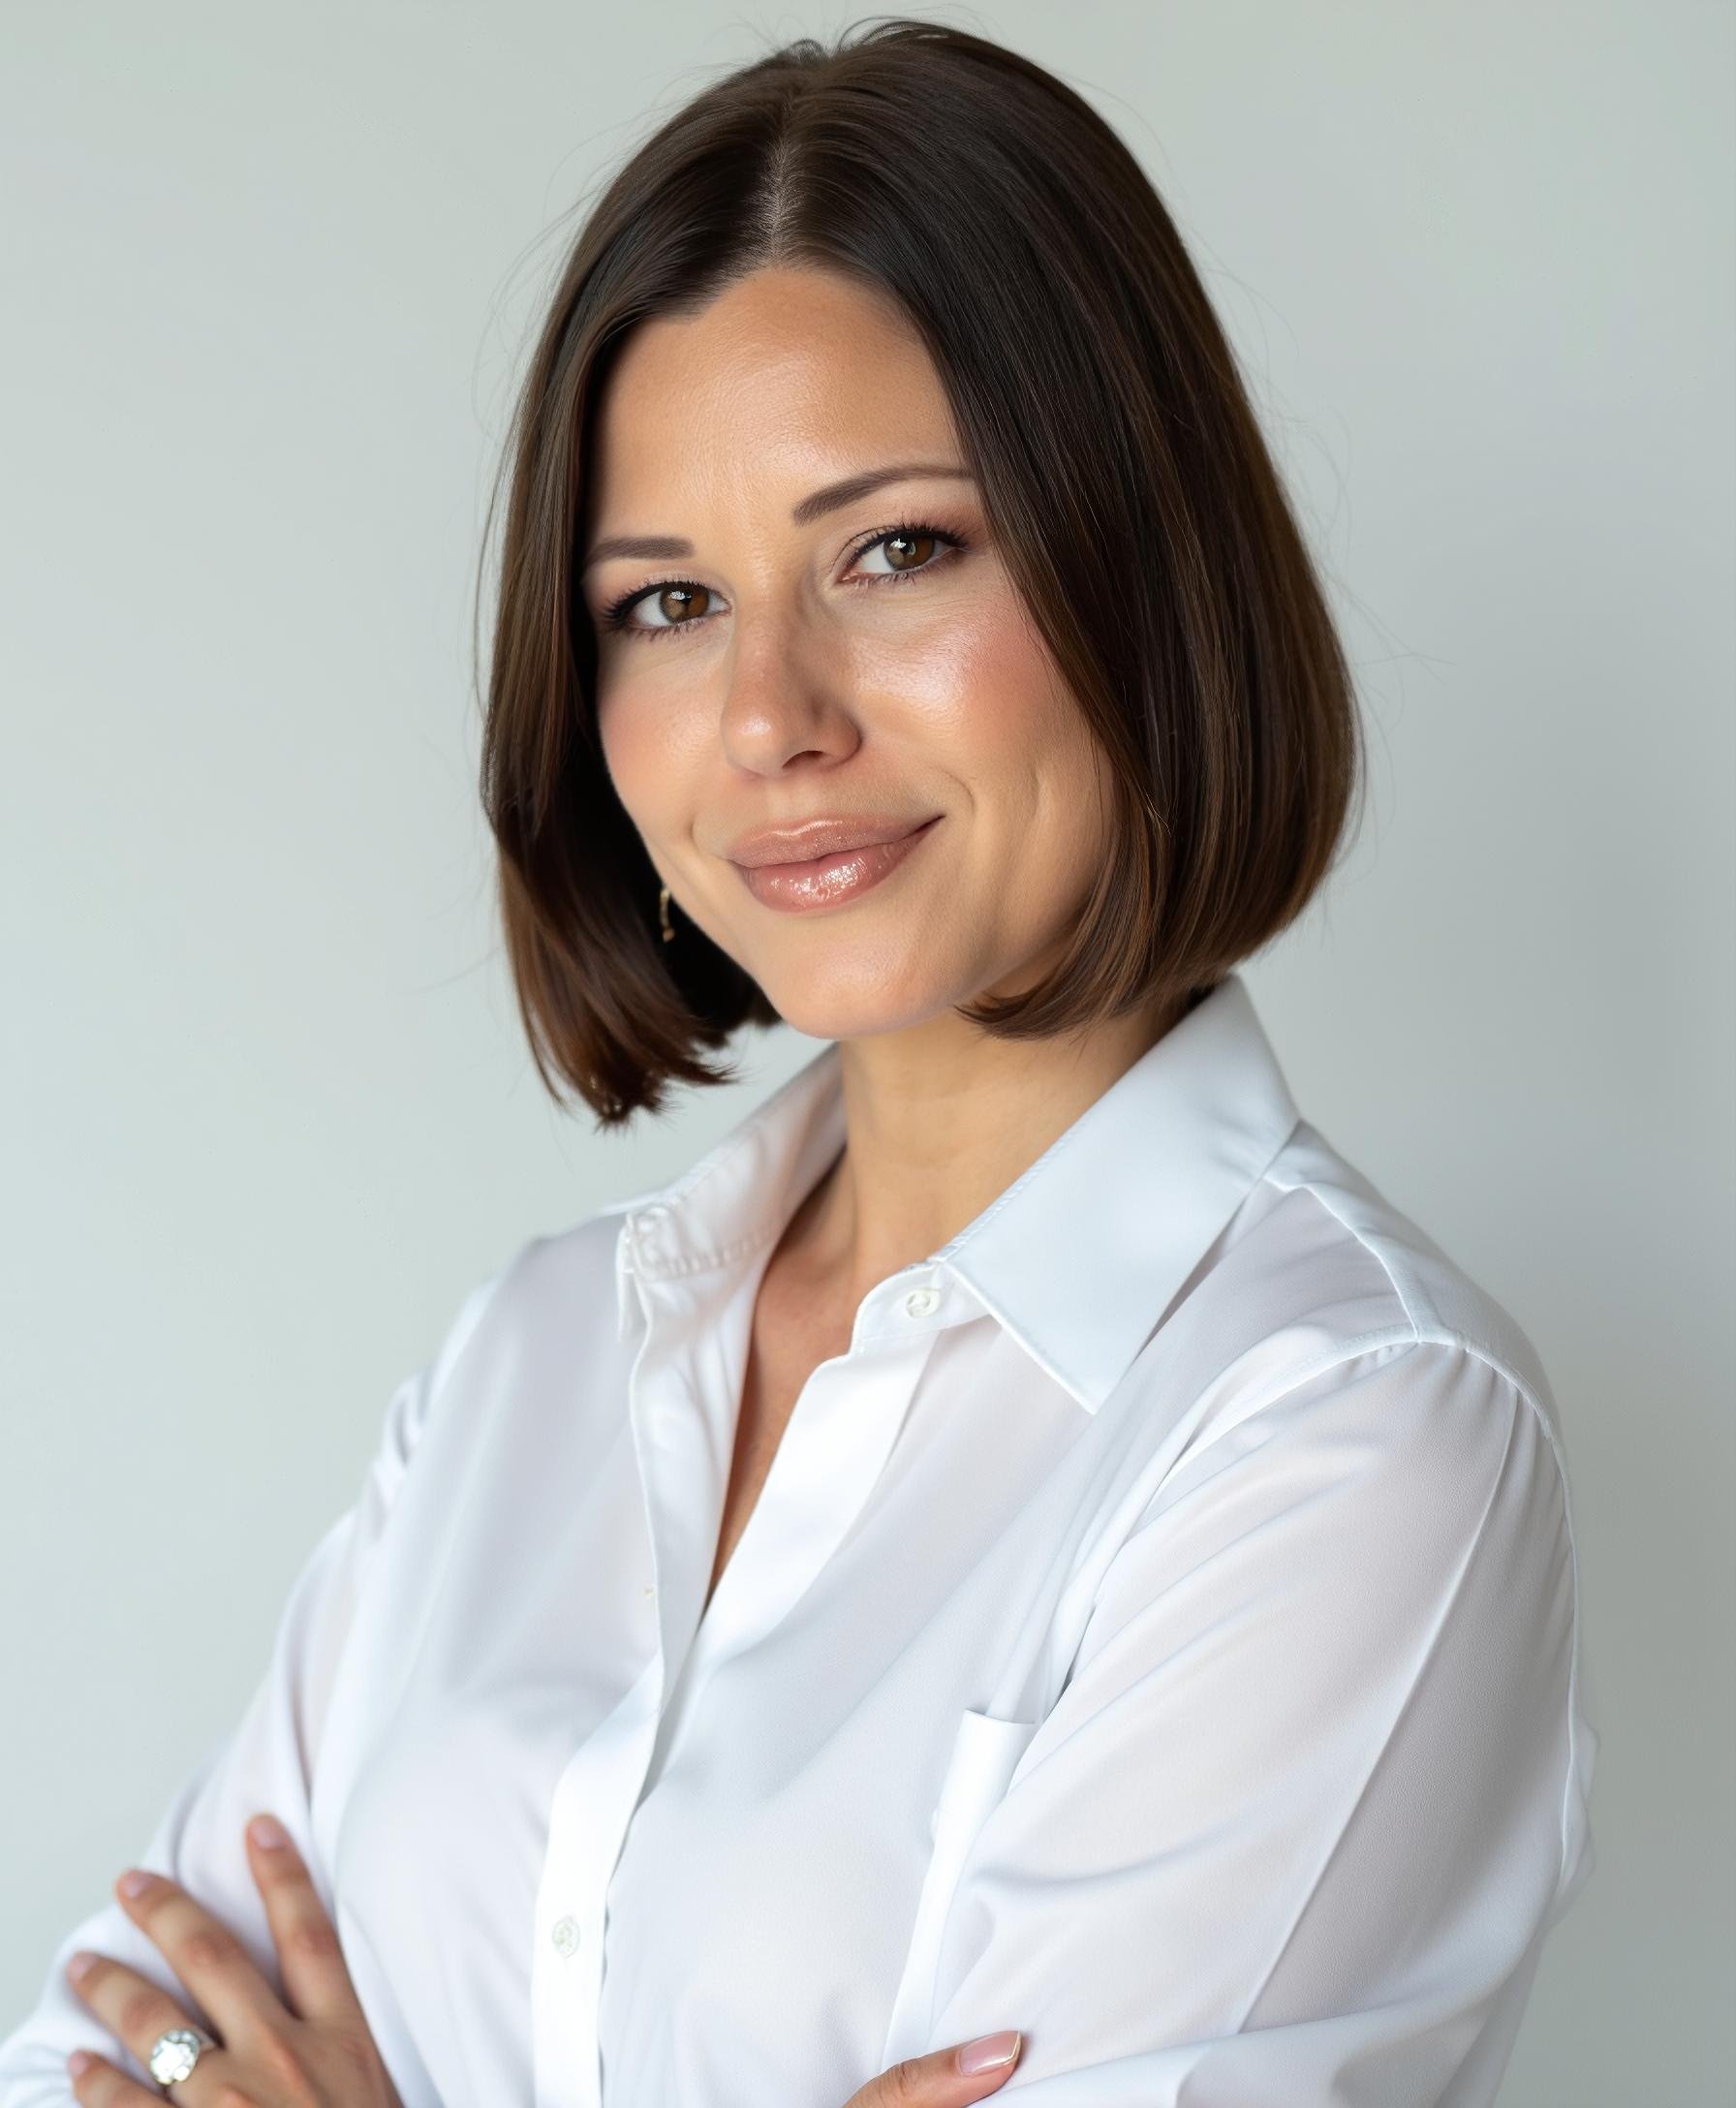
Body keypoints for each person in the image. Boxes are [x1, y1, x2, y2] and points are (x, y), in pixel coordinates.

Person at [1, 18, 1597, 2107]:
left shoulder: (1347, 1432)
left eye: (894, 551)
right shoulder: (529, 1363)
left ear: (1138, 561)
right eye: (664, 600)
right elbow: (96, 2048)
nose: (769, 714)